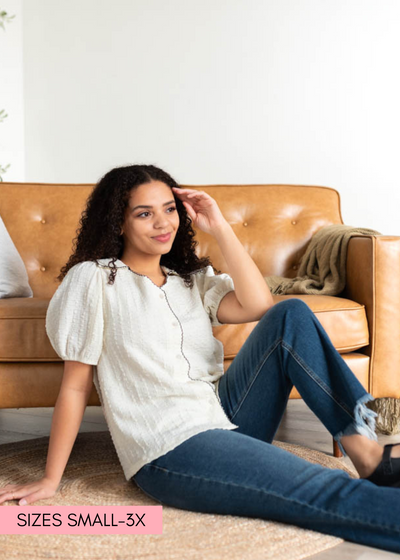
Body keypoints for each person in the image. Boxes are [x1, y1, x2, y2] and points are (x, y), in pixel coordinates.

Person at [1, 164, 399, 553]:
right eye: (145, 213)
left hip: (225, 416)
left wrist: (220, 226)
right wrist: (51, 479)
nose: (162, 223)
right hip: (173, 446)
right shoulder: (94, 278)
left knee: (289, 314)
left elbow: (260, 304)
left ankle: (364, 448)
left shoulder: (190, 279)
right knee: (323, 489)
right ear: (118, 223)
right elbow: (75, 384)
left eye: (169, 209)